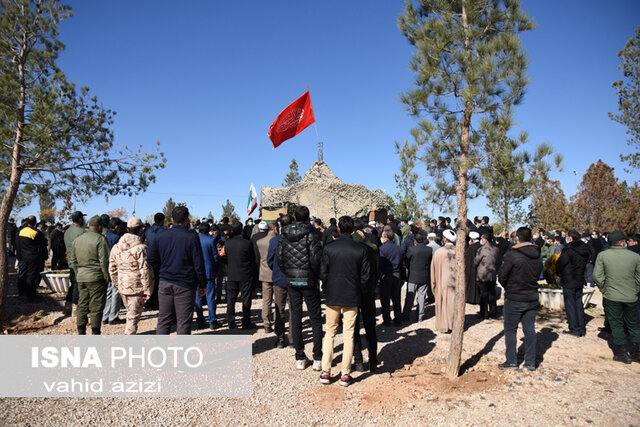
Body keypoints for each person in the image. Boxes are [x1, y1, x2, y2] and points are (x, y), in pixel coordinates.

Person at [319, 216, 370, 387]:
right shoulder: (360, 249)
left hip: (333, 294)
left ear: (339, 229)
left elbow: (323, 273)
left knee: (330, 332)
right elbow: (365, 277)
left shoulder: (328, 248)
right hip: (352, 295)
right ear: (353, 230)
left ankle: (326, 371)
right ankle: (345, 374)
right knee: (349, 334)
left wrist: (327, 287)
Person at [277, 205, 323, 371]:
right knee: (315, 319)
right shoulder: (312, 234)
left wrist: (289, 273)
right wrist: (317, 275)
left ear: (295, 217)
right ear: (308, 217)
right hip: (309, 279)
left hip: (292, 280)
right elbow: (316, 258)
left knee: (295, 317)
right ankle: (318, 358)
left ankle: (300, 356)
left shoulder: (284, 234)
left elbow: (280, 258)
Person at [148, 206, 206, 335]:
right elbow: (198, 263)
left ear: (172, 219)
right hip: (185, 284)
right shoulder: (191, 237)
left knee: (163, 320)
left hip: (165, 281)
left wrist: (163, 269)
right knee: (183, 322)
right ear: (187, 219)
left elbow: (151, 259)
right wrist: (202, 284)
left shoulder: (160, 236)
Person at [497, 227, 542, 370]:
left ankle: (511, 361)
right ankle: (530, 362)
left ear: (517, 238)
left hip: (515, 296)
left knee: (510, 329)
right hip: (531, 295)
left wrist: (509, 287)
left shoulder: (513, 254)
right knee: (529, 329)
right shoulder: (537, 253)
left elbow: (502, 275)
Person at [593, 230, 640, 364]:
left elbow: (597, 276)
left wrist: (604, 289)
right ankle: (637, 353)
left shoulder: (603, 256)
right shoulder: (634, 256)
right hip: (631, 296)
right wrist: (635, 289)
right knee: (634, 324)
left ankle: (621, 353)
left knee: (616, 324)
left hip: (612, 295)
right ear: (622, 242)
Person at [108, 218, 153, 334]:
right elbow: (145, 270)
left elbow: (112, 268)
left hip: (123, 285)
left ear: (127, 229)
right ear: (140, 230)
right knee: (133, 317)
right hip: (136, 287)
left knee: (130, 312)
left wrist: (117, 283)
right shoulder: (141, 248)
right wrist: (148, 289)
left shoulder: (116, 247)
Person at [68, 215, 110, 335]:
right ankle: (95, 333)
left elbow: (73, 261)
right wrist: (106, 276)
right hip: (96, 277)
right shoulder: (100, 239)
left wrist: (78, 273)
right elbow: (104, 260)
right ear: (100, 226)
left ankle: (81, 333)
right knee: (96, 306)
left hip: (81, 277)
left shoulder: (77, 240)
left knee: (82, 304)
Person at [352, 219, 379, 372]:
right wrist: (363, 239)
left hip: (354, 292)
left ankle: (358, 360)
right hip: (368, 291)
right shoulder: (370, 248)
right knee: (370, 327)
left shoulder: (350, 247)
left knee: (354, 328)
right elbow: (374, 248)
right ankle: (373, 359)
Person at [555, 230, 589, 337]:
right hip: (579, 278)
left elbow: (560, 263)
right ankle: (581, 327)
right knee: (578, 303)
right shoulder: (584, 248)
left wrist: (558, 273)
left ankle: (574, 328)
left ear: (570, 238)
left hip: (569, 279)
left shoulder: (569, 249)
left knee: (570, 305)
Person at [225, 220, 256, 330]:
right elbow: (252, 259)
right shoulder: (247, 243)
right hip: (245, 274)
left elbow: (225, 258)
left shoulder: (227, 243)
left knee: (231, 299)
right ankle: (246, 322)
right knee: (246, 299)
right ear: (242, 229)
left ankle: (231, 321)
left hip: (232, 274)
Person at [267, 216, 292, 348]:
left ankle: (280, 338)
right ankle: (293, 339)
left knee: (279, 309)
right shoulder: (296, 240)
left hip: (279, 278)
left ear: (280, 226)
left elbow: (270, 259)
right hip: (294, 278)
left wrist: (276, 270)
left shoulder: (275, 241)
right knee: (293, 309)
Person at [431, 229, 457, 333]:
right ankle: (453, 324)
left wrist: (434, 285)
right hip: (455, 283)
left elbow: (433, 270)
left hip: (442, 282)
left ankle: (443, 325)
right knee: (453, 304)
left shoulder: (439, 252)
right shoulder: (459, 252)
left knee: (443, 304)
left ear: (445, 239)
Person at [402, 233, 433, 322]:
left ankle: (406, 315)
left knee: (410, 296)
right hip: (424, 275)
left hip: (413, 275)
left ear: (415, 241)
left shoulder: (411, 249)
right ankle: (420, 315)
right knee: (422, 296)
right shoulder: (429, 249)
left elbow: (406, 261)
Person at [16, 216, 47, 301]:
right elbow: (42, 245)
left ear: (27, 222)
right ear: (35, 222)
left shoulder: (21, 231)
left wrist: (19, 256)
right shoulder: (36, 233)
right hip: (32, 257)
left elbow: (18, 245)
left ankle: (22, 292)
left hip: (23, 256)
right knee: (31, 276)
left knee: (23, 274)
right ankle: (31, 296)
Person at [195, 221, 219, 330]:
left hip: (196, 272)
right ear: (208, 230)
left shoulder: (194, 240)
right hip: (208, 271)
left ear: (199, 230)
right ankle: (212, 320)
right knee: (210, 296)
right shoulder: (211, 240)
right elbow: (215, 257)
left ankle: (200, 320)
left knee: (198, 297)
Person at [378, 230, 404, 326]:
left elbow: (380, 264)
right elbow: (402, 264)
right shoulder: (399, 249)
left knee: (385, 299)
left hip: (386, 275)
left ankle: (387, 320)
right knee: (396, 298)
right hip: (397, 274)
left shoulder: (382, 249)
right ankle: (398, 319)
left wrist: (379, 276)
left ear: (385, 237)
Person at [255, 221, 276, 333]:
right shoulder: (277, 241)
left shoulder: (260, 242)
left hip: (264, 273)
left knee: (266, 301)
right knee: (278, 301)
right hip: (276, 273)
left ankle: (266, 324)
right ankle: (278, 322)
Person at [64, 211, 86, 315]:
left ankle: (67, 305)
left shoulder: (67, 231)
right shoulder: (82, 232)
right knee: (78, 285)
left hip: (70, 261)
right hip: (79, 262)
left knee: (72, 284)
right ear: (80, 219)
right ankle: (75, 308)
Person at [103, 218, 123, 325]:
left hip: (106, 266)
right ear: (116, 227)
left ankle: (105, 315)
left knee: (109, 291)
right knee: (115, 291)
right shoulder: (116, 238)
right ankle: (113, 316)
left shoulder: (105, 235)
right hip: (115, 267)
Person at [474, 233, 499, 319]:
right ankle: (493, 311)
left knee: (483, 294)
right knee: (492, 293)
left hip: (483, 273)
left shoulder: (481, 249)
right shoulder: (496, 249)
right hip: (492, 273)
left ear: (485, 239)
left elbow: (476, 261)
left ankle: (483, 313)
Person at [144, 212, 165, 310]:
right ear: (162, 221)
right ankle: (157, 302)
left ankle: (149, 302)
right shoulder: (163, 231)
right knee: (158, 281)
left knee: (149, 280)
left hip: (149, 257)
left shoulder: (148, 231)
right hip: (160, 258)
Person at [465, 231, 481, 305]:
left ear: (471, 239)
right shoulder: (481, 246)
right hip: (479, 268)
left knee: (471, 283)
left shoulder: (471, 248)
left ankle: (470, 298)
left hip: (471, 268)